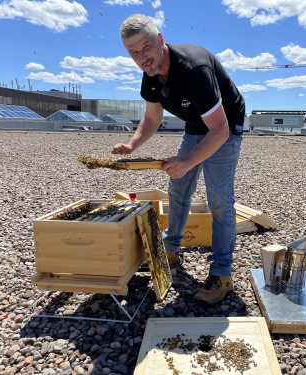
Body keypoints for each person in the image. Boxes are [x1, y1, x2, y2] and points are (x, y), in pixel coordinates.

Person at [113, 14, 245, 305]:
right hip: (197, 125)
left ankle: (222, 274)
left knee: (220, 200)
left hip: (225, 126)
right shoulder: (150, 74)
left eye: (146, 47)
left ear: (160, 40)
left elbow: (219, 130)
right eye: (134, 53)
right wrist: (131, 145)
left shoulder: (193, 69)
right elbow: (152, 117)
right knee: (178, 187)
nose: (142, 57)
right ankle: (170, 250)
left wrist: (187, 161)